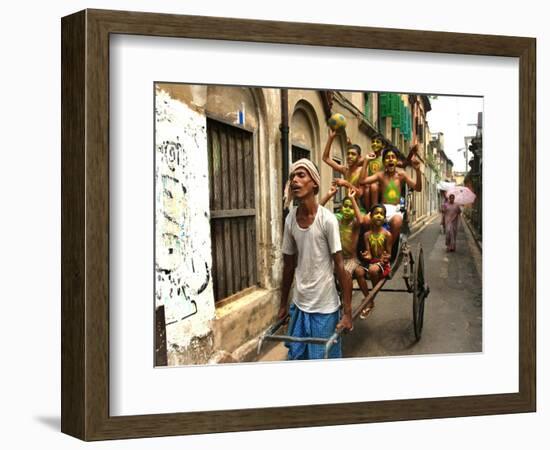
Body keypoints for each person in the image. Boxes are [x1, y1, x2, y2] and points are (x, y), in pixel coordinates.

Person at [280, 159, 353, 360]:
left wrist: (347, 313)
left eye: (301, 175)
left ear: (314, 184)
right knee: (297, 359)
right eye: (292, 176)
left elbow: (340, 266)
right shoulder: (290, 220)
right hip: (300, 303)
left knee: (322, 364)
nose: (294, 180)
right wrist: (283, 305)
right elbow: (288, 266)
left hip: (324, 307)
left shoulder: (327, 220)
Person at [360, 147, 422, 245]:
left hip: (395, 210)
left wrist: (418, 171)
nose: (390, 159)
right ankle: (371, 247)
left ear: (396, 161)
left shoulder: (402, 175)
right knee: (366, 220)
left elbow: (418, 188)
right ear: (384, 162)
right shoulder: (380, 175)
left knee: (397, 221)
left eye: (393, 157)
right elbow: (362, 181)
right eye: (387, 157)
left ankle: (387, 250)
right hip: (382, 208)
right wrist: (366, 161)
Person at [320, 185, 370, 300]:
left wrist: (352, 198)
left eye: (351, 207)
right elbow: (318, 210)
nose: (347, 209)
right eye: (345, 206)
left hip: (351, 259)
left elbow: (361, 220)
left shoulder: (355, 224)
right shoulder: (336, 220)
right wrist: (329, 195)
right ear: (341, 208)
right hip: (337, 259)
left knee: (346, 273)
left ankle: (353, 301)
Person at [359, 204, 393, 318]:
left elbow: (389, 253)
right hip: (371, 261)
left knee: (373, 270)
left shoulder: (387, 234)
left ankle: (370, 299)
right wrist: (366, 255)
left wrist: (385, 257)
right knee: (358, 271)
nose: (379, 216)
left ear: (384, 218)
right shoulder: (366, 235)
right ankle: (369, 298)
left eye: (381, 214)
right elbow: (368, 252)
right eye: (376, 213)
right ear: (371, 216)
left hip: (381, 263)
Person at [322, 129, 374, 199]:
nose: (349, 156)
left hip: (359, 208)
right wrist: (330, 138)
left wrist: (345, 183)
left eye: (353, 154)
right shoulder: (345, 170)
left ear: (359, 157)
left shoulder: (362, 171)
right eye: (348, 154)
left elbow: (360, 193)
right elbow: (325, 158)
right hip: (347, 205)